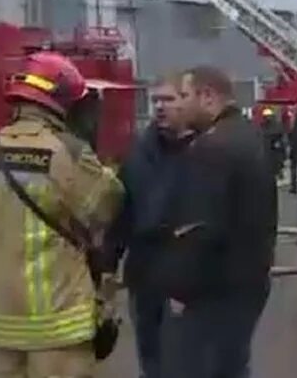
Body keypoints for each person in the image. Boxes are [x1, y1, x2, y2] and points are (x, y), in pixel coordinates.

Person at [0, 52, 124, 378]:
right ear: (63, 104)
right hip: (58, 324)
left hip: (2, 322)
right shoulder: (67, 152)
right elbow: (106, 207)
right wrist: (107, 171)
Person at [155, 66, 277, 378]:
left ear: (207, 96)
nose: (180, 105)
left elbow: (197, 229)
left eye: (185, 95)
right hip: (247, 282)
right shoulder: (247, 134)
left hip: (215, 291)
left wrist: (178, 290)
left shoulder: (212, 147)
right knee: (232, 366)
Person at [106, 74, 193, 378]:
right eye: (155, 100)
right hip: (144, 275)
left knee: (183, 359)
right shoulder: (138, 153)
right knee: (150, 357)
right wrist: (107, 264)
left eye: (169, 99)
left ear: (189, 100)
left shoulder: (207, 152)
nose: (160, 107)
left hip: (188, 277)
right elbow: (122, 211)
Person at [258, 108, 286, 186]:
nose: (268, 118)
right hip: (267, 148)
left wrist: (279, 143)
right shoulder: (262, 126)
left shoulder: (277, 125)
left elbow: (281, 135)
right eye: (266, 116)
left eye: (269, 116)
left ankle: (279, 172)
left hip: (275, 148)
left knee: (277, 162)